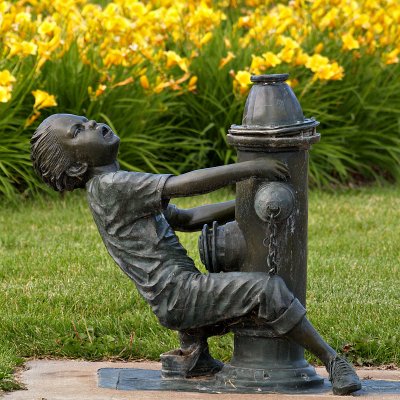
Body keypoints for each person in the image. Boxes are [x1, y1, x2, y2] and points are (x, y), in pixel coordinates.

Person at [31, 114, 361, 395]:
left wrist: (245, 208)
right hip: (180, 295)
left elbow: (186, 219)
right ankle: (333, 361)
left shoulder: (113, 190)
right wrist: (248, 169)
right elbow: (184, 184)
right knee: (266, 289)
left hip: (174, 296)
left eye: (84, 120)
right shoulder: (113, 185)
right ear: (76, 168)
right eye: (78, 132)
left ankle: (191, 358)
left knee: (228, 287)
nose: (91, 123)